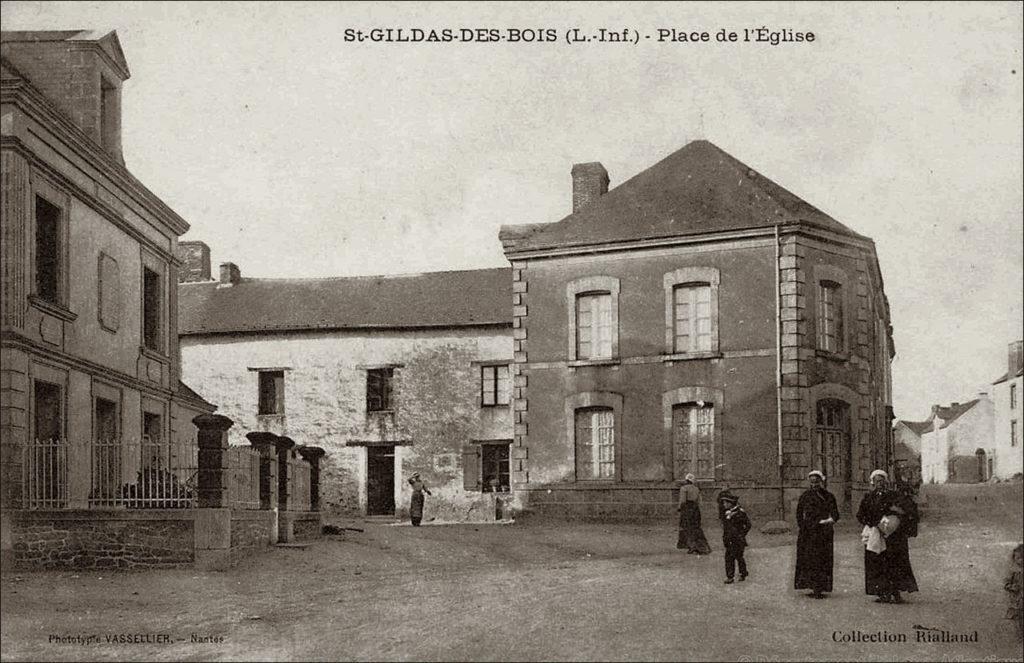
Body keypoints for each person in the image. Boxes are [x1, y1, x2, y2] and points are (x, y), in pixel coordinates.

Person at [856, 468, 919, 604]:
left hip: (894, 536)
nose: (880, 483)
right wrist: (874, 523)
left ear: (886, 482)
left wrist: (896, 514)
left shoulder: (895, 496)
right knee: (878, 563)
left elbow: (909, 509)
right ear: (873, 482)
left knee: (895, 563)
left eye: (882, 481)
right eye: (877, 481)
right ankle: (882, 593)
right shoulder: (869, 497)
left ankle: (896, 593)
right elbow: (861, 515)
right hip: (876, 534)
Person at [794, 470, 840, 599]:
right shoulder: (805, 496)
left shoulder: (829, 496)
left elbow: (835, 514)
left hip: (823, 532)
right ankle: (811, 585)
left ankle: (820, 587)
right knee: (809, 559)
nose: (814, 484)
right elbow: (799, 514)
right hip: (808, 532)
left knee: (822, 559)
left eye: (817, 482)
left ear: (822, 481)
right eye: (812, 482)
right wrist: (803, 527)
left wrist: (829, 521)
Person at [718, 490, 751, 584]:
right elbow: (726, 528)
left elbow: (748, 525)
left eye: (725, 503)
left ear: (731, 503)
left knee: (739, 557)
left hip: (738, 540)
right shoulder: (726, 513)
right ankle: (730, 577)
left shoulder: (740, 513)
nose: (724, 504)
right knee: (728, 557)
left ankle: (743, 573)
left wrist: (742, 534)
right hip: (729, 539)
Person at [676, 473, 711, 555]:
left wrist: (680, 509)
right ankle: (701, 546)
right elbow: (699, 501)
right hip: (695, 510)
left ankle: (692, 546)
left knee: (687, 528)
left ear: (686, 480)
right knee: (696, 528)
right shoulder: (696, 489)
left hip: (687, 509)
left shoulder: (684, 488)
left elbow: (683, 501)